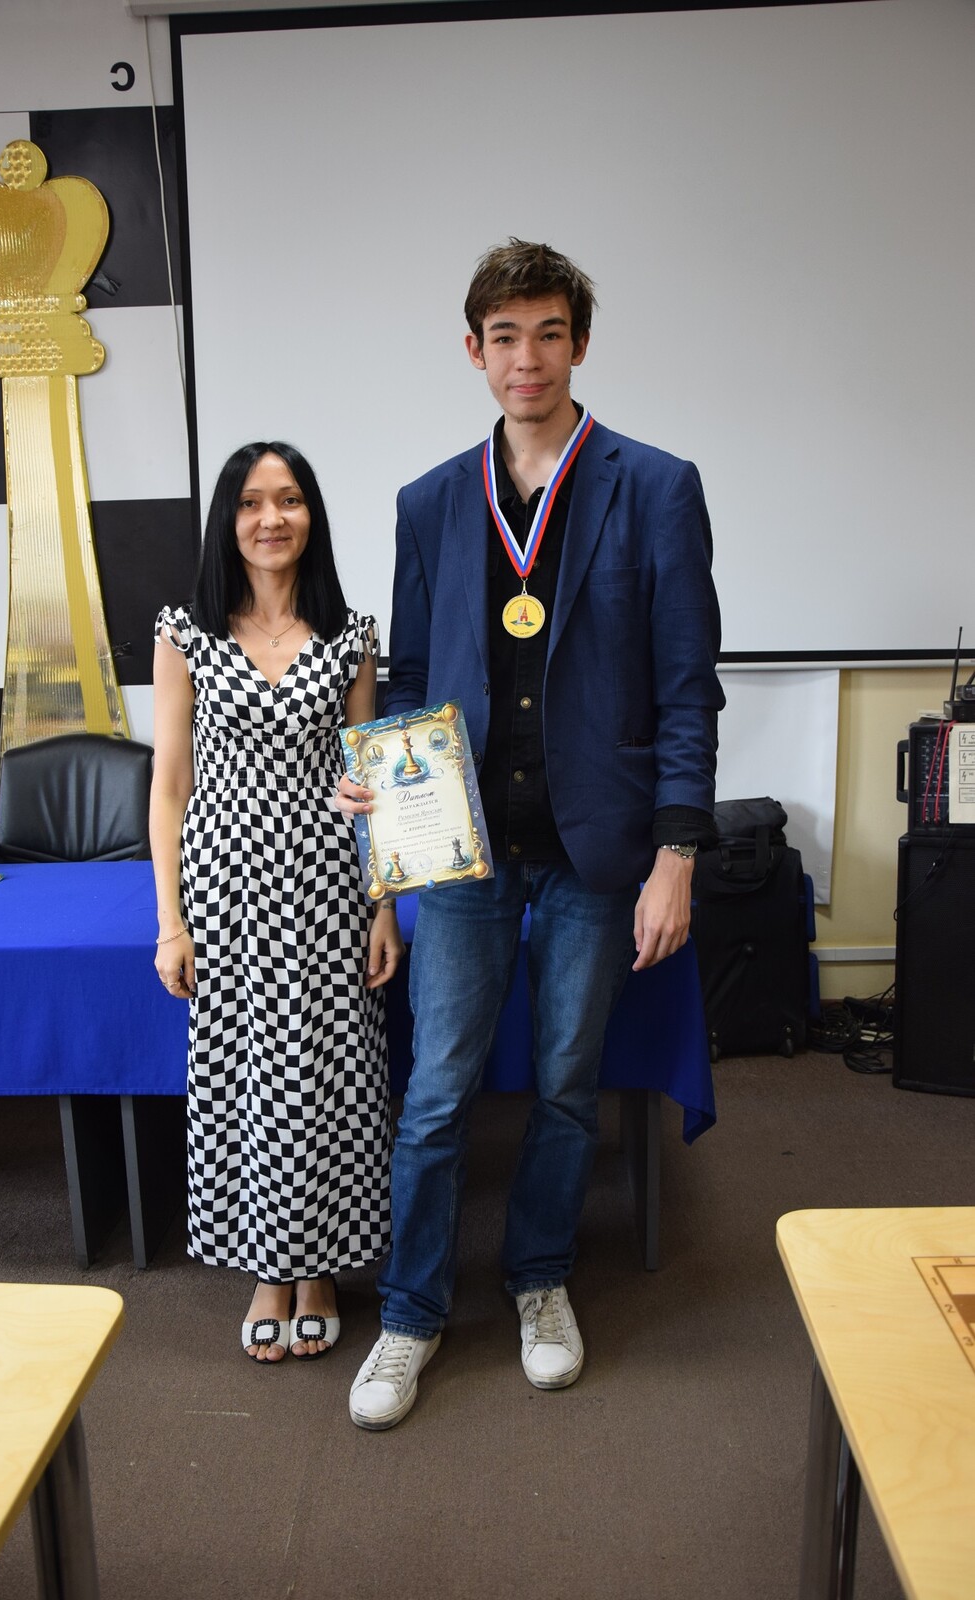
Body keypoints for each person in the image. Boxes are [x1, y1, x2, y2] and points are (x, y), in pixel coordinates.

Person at [340, 239, 725, 1429]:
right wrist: (384, 807)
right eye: (503, 336)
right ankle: (410, 1311)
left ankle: (538, 1278)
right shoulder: (427, 503)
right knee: (436, 1091)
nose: (526, 358)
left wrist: (676, 853)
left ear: (578, 344)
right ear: (473, 350)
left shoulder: (652, 487)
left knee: (564, 1086)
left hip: (593, 854)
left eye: (548, 333)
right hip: (460, 850)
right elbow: (411, 680)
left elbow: (685, 690)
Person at [150, 440, 404, 1364]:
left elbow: (370, 779)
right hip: (225, 889)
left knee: (327, 1077)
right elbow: (169, 785)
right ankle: (270, 1268)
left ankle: (320, 1265)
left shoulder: (350, 634)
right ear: (229, 518)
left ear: (311, 516)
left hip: (327, 886)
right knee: (249, 1083)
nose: (271, 518)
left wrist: (384, 907)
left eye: (289, 499)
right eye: (252, 501)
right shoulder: (184, 631)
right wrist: (170, 924)